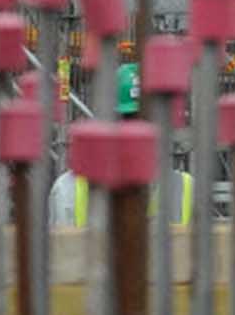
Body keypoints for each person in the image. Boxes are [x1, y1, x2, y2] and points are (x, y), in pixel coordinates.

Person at [46, 58, 194, 227]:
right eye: (127, 120)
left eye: (146, 123)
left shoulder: (185, 190)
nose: (136, 134)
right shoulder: (68, 191)